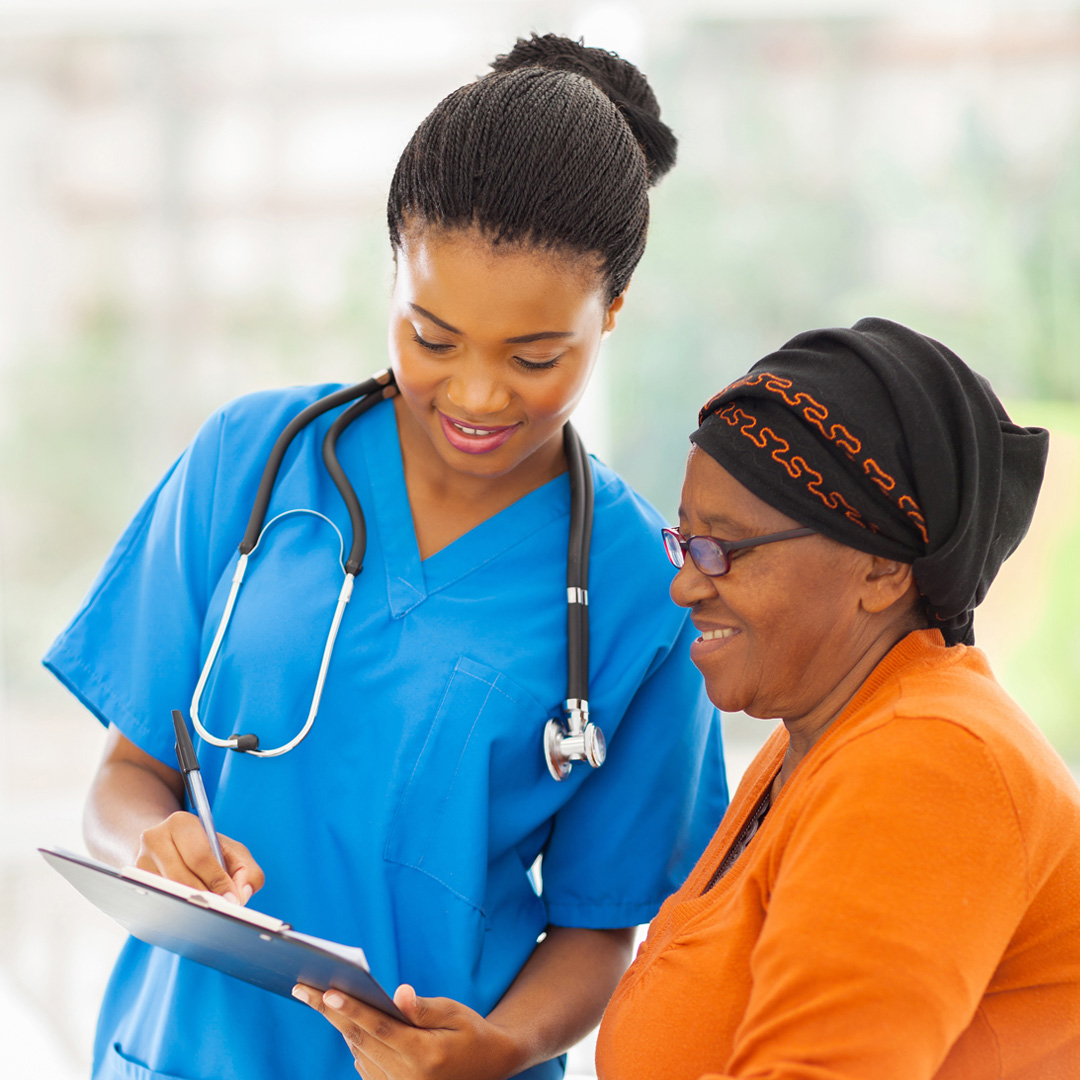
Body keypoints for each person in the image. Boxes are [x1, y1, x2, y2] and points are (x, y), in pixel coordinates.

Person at [44, 34, 728, 1080]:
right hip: (184, 1054)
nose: (478, 396)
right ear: (393, 275)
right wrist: (152, 847)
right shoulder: (252, 461)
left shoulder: (646, 591)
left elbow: (599, 929)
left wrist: (498, 1046)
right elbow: (127, 782)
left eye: (536, 356)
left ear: (612, 315)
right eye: (433, 335)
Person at [595, 317, 1080, 1079]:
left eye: (724, 550)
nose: (685, 583)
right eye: (684, 541)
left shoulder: (931, 761)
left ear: (884, 572)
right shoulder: (813, 739)